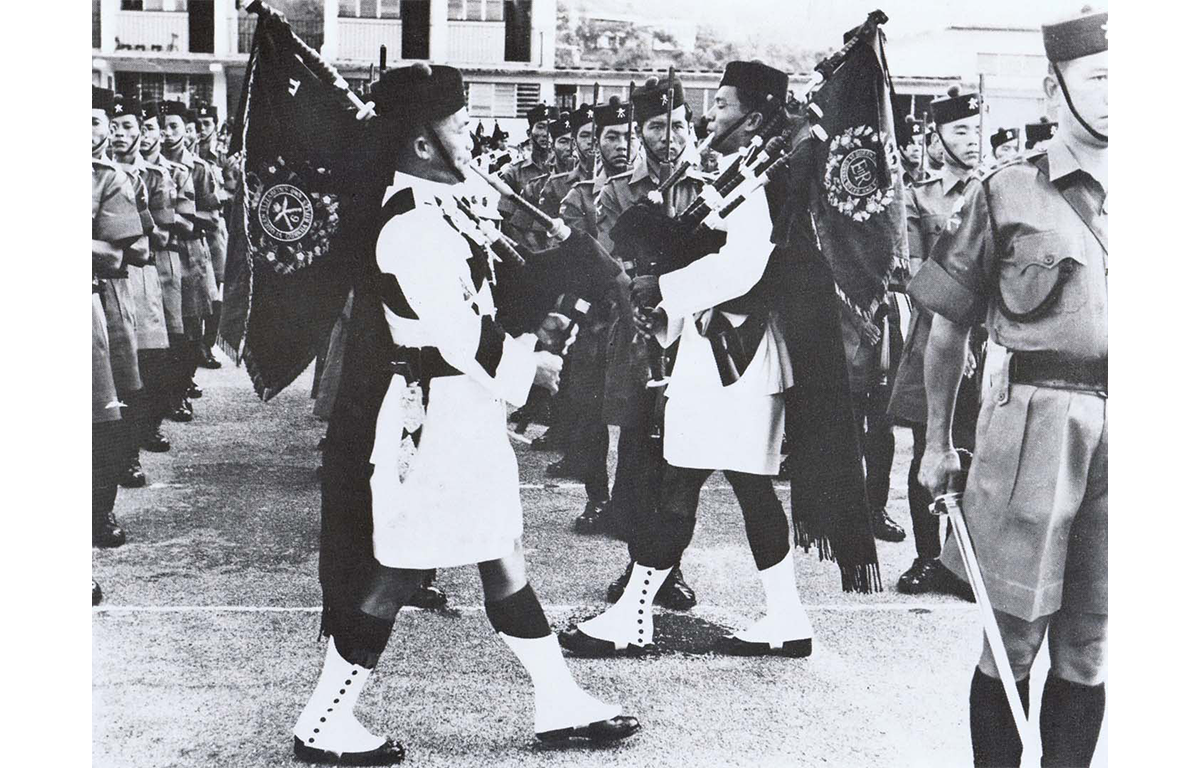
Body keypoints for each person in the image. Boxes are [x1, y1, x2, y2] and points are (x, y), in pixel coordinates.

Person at [295, 64, 639, 765]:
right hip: (436, 418)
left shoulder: (444, 202)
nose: (467, 132)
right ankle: (322, 721)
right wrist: (531, 370)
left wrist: (571, 271)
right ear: (423, 142)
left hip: (463, 413)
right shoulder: (409, 223)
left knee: (501, 557)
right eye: (455, 122)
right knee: (395, 572)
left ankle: (559, 700)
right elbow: (459, 330)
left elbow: (496, 292)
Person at [563, 62, 816, 658]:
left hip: (737, 357)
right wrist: (672, 304)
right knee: (732, 486)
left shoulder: (759, 178)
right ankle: (785, 618)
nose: (711, 114)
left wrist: (664, 291)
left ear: (753, 118)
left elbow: (744, 265)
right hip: (729, 352)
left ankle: (634, 616)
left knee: (680, 479)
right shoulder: (741, 171)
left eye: (724, 105)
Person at [915, 11, 1113, 766]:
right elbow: (945, 331)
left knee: (1089, 646)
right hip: (1033, 424)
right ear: (1052, 86)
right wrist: (936, 443)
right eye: (1100, 79)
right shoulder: (1008, 192)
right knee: (1014, 638)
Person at [594, 75, 702, 610]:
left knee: (682, 457)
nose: (668, 137)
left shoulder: (710, 187)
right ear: (641, 132)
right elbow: (611, 265)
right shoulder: (616, 191)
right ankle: (636, 567)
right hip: (637, 336)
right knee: (637, 454)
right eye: (657, 126)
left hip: (693, 339)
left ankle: (671, 568)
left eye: (677, 125)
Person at [889, 85, 982, 599]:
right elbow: (915, 271)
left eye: (976, 129)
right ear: (937, 138)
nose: (972, 140)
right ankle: (926, 557)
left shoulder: (993, 191)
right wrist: (956, 329)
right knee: (930, 444)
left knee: (975, 450)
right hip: (935, 339)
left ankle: (958, 559)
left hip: (988, 341)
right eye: (960, 130)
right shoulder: (918, 197)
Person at [557, 99, 632, 533]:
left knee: (634, 416)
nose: (620, 145)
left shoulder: (645, 189)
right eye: (610, 136)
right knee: (589, 412)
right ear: (597, 144)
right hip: (596, 317)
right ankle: (597, 498)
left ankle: (624, 500)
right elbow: (575, 261)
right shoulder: (579, 196)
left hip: (633, 316)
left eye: (626, 136)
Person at [111, 93, 174, 488]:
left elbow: (157, 236)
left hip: (135, 278)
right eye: (111, 126)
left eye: (126, 127)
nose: (119, 134)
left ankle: (130, 453)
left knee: (134, 372)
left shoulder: (148, 177)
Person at [91, 86, 145, 549]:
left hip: (88, 302)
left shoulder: (106, 179)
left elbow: (114, 256)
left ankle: (98, 514)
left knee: (99, 421)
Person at [162, 100, 220, 419]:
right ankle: (165, 392)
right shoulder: (148, 164)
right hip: (157, 253)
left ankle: (182, 389)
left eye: (174, 126)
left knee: (189, 328)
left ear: (187, 130)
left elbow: (212, 218)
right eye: (163, 126)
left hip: (188, 252)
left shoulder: (199, 168)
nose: (167, 133)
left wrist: (178, 218)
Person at [143, 100, 200, 424]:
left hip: (171, 258)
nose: (163, 134)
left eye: (167, 127)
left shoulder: (179, 172)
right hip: (141, 258)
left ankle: (173, 397)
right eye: (155, 127)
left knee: (175, 335)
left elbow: (190, 221)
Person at [195, 103, 227, 370]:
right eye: (198, 124)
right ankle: (195, 347)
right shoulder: (187, 152)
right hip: (194, 228)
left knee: (216, 292)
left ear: (215, 125)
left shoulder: (224, 155)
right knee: (196, 293)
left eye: (206, 124)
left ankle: (207, 344)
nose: (201, 130)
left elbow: (237, 188)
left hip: (216, 230)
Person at [499, 103, 558, 250]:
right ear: (529, 133)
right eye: (540, 126)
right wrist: (531, 251)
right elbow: (507, 219)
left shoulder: (568, 171)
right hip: (529, 249)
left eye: (552, 127)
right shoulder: (514, 173)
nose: (546, 133)